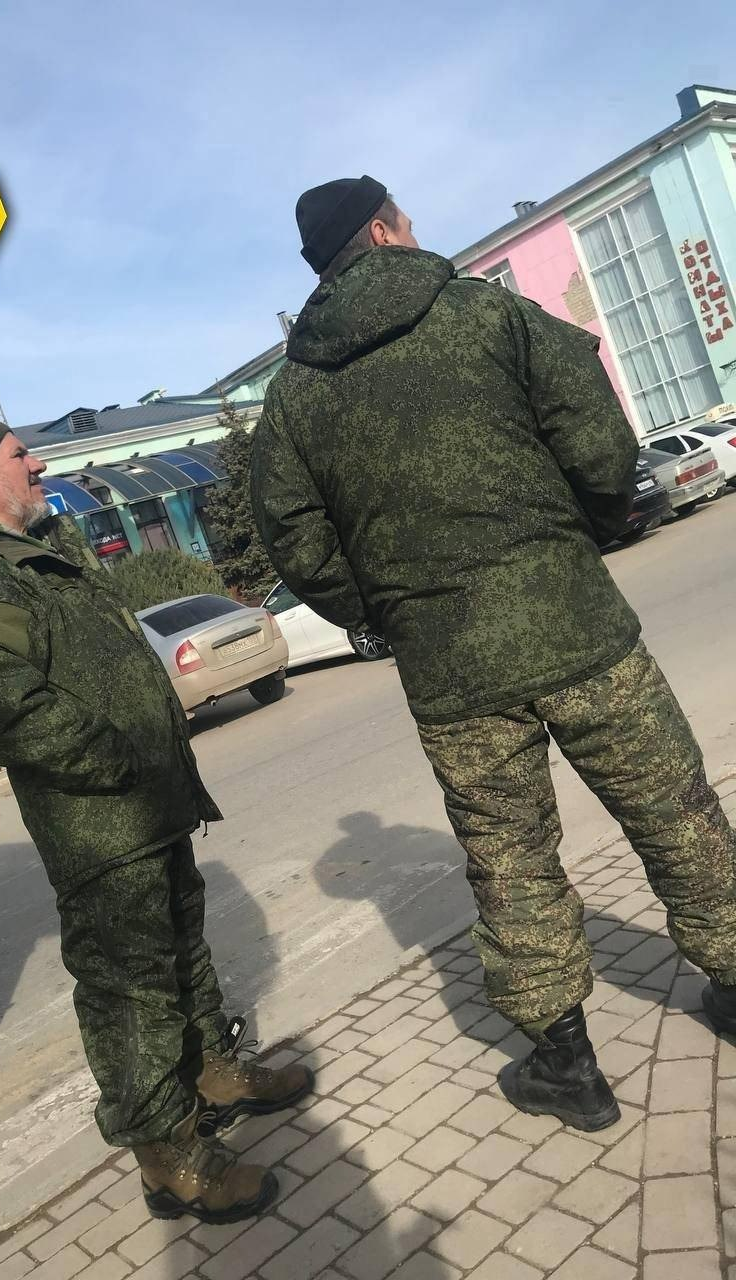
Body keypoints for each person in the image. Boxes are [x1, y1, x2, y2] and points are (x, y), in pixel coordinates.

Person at [250, 176, 736, 1132]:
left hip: (452, 675)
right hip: (578, 629)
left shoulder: (294, 397)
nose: (415, 228)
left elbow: (297, 544)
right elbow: (596, 437)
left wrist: (391, 612)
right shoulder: (487, 314)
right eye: (405, 218)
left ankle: (567, 1066)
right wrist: (578, 537)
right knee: (675, 811)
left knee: (510, 860)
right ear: (381, 231)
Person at [0, 418, 312, 1222]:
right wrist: (116, 763)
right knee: (131, 995)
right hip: (101, 824)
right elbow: (7, 706)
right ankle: (168, 1158)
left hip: (149, 807)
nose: (38, 463)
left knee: (182, 956)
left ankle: (212, 1075)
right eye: (19, 455)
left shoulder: (35, 556)